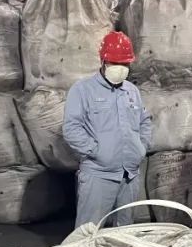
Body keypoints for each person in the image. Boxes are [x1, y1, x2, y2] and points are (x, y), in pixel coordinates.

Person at [63, 30, 152, 229]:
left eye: (125, 64)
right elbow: (71, 128)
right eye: (115, 63)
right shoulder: (83, 90)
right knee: (89, 233)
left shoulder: (132, 91)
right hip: (99, 176)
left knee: (125, 232)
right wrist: (96, 151)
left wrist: (141, 148)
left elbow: (144, 121)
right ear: (103, 61)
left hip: (129, 176)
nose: (120, 68)